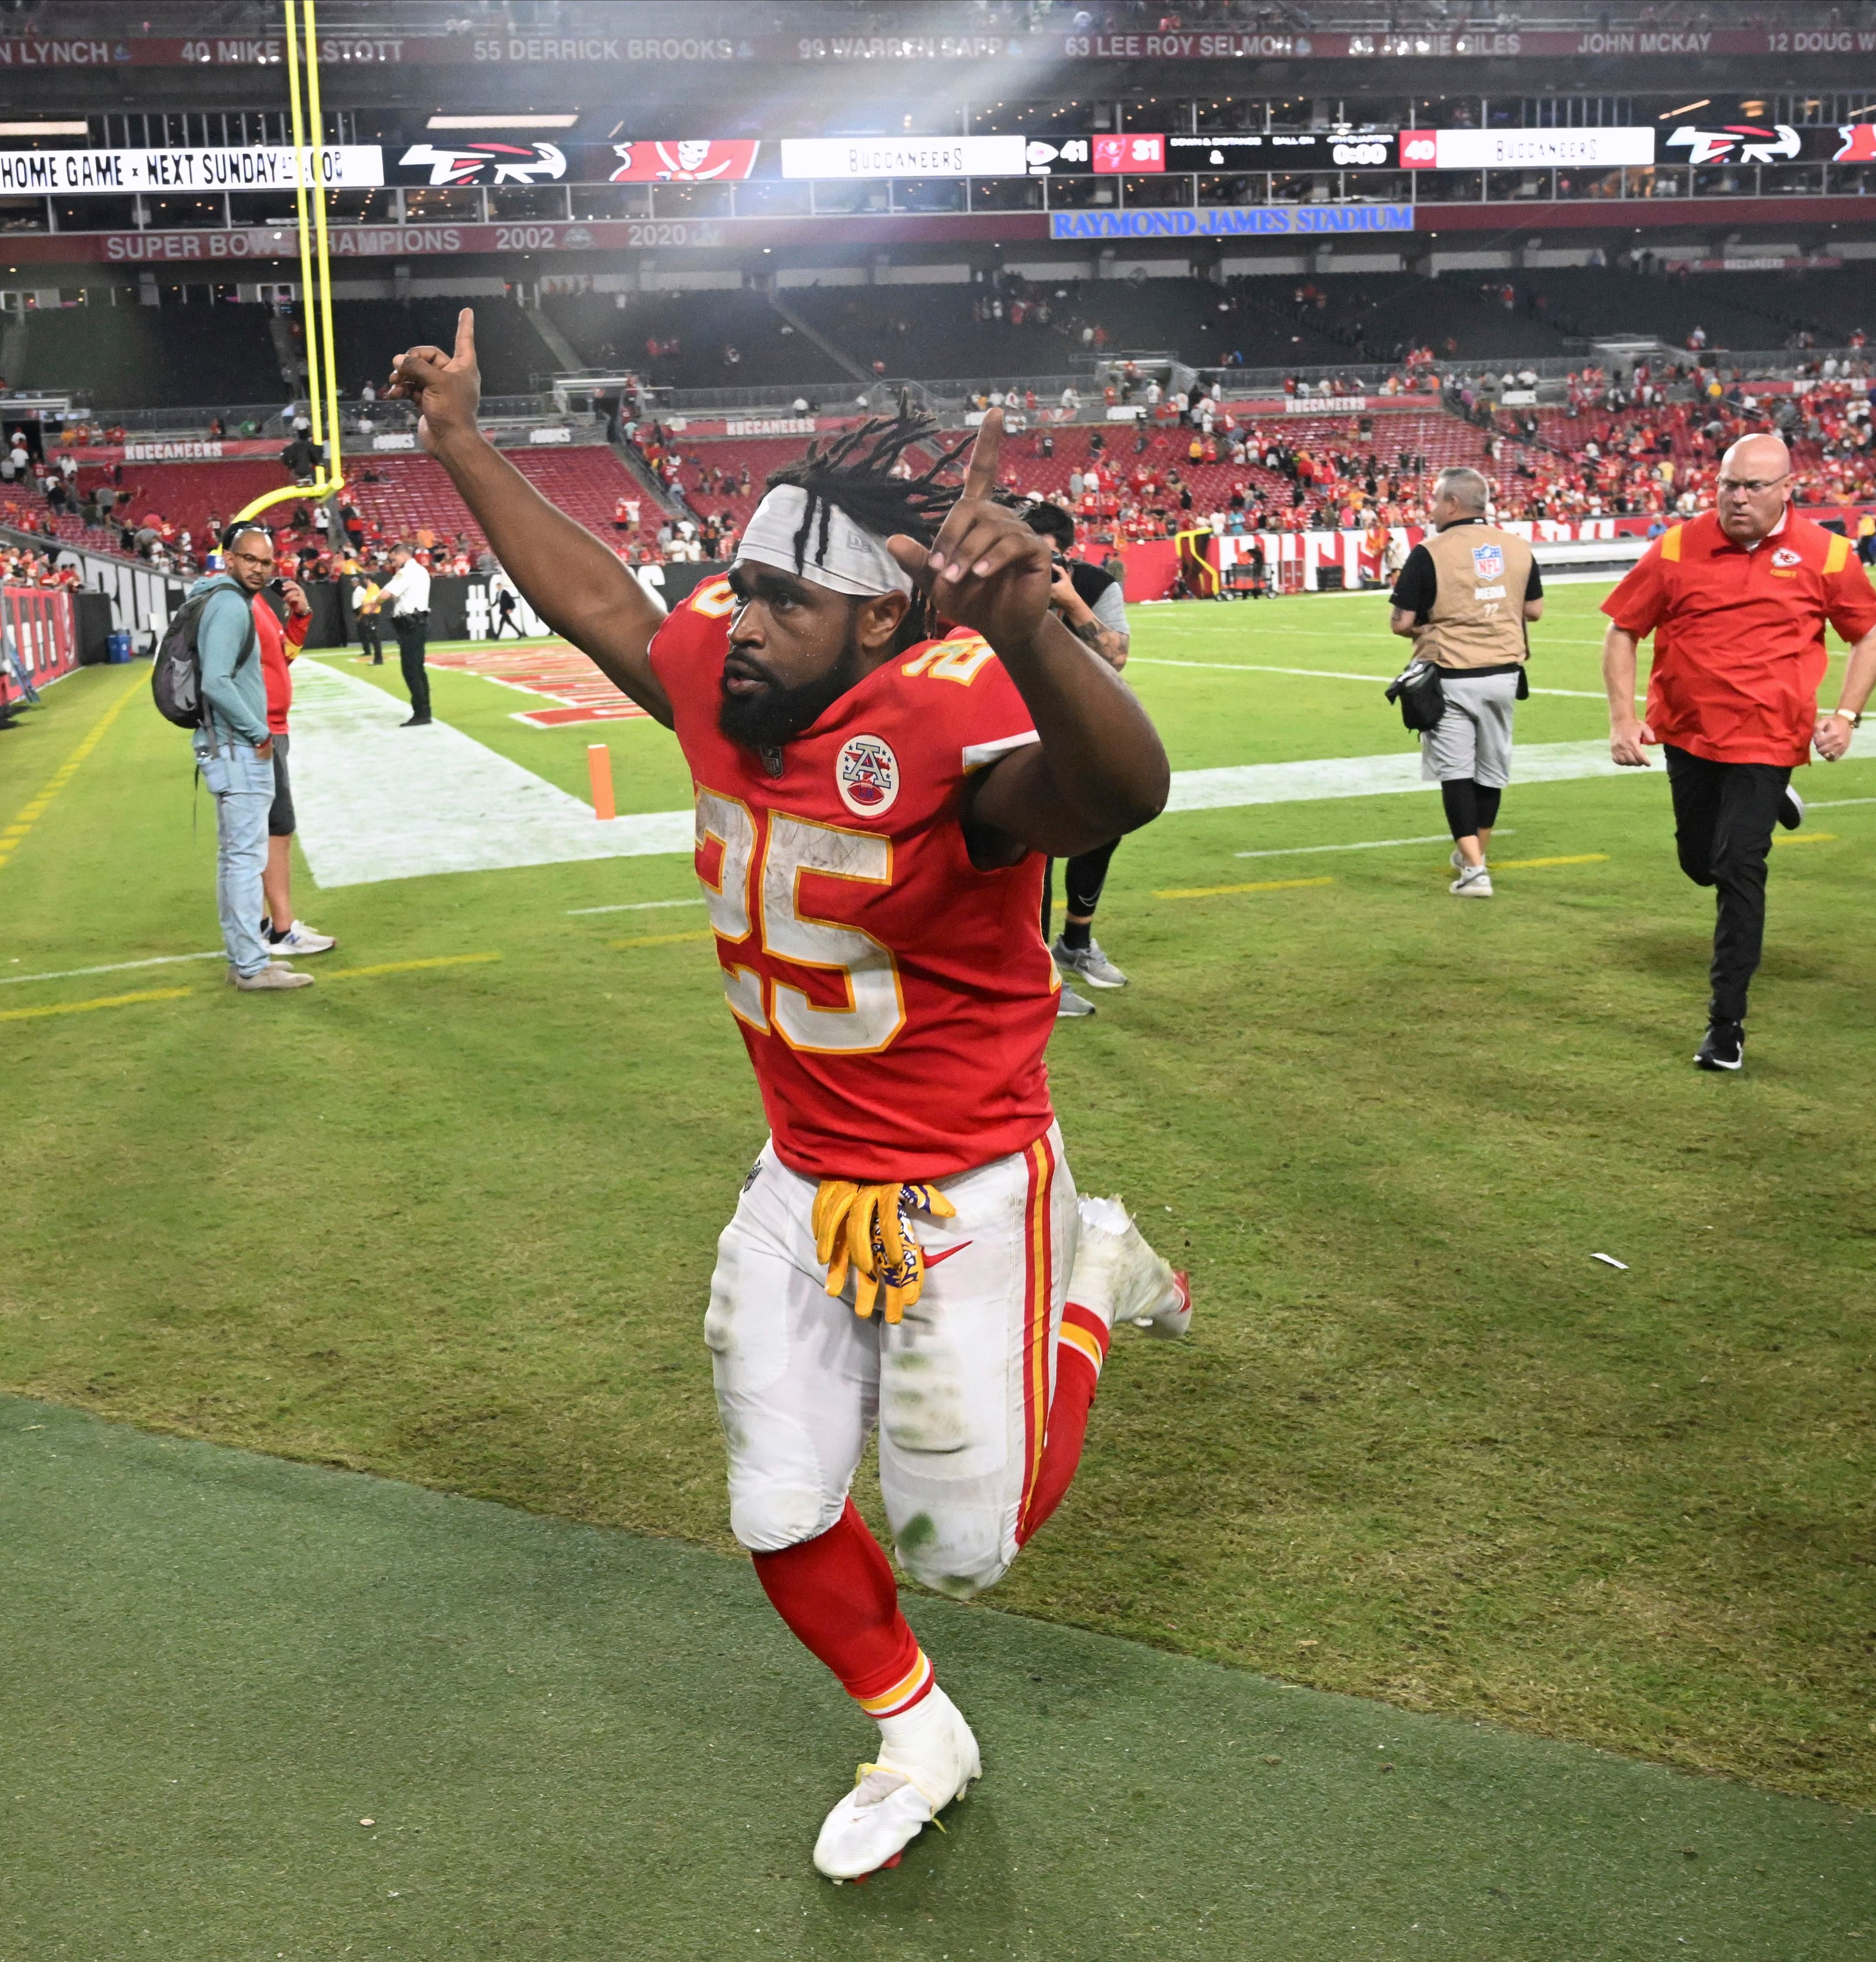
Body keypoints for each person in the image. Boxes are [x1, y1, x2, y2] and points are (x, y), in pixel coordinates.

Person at [390, 312, 1185, 1880]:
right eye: (741, 585)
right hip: (805, 1171)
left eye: (782, 598)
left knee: (969, 1546)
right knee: (777, 1498)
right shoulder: (727, 674)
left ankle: (1095, 1272)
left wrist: (1035, 634)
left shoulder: (949, 716)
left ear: (883, 619)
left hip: (963, 1180)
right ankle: (917, 1729)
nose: (737, 619)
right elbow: (611, 602)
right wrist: (466, 443)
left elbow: (1116, 794)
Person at [1601, 432, 1876, 1070]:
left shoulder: (1827, 554)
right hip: (1687, 733)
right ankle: (1764, 805)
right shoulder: (1676, 546)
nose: (1735, 498)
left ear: (1786, 488)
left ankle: (1724, 1023)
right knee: (1697, 863)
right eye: (1726, 484)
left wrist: (1845, 714)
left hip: (1768, 736)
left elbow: (1869, 635)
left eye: (1751, 486)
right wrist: (1622, 719)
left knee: (1737, 867)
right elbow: (1622, 629)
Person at [1388, 467, 1542, 897]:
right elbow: (1534, 610)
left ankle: (1475, 872)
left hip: (1451, 676)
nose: (1432, 508)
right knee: (1491, 771)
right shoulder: (1517, 547)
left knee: (1456, 773)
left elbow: (1401, 622)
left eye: (1436, 500)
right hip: (1504, 675)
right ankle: (1477, 856)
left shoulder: (1430, 551)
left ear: (1453, 504)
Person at [1020, 503, 1133, 1012]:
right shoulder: (998, 584)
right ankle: (1039, 967)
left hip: (1083, 723)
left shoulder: (1092, 583)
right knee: (1034, 842)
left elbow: (1116, 656)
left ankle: (1076, 943)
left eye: (1043, 551)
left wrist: (1070, 603)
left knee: (1106, 821)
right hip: (1017, 726)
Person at [194, 524, 310, 993]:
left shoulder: (229, 599)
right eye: (250, 560)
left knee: (236, 858)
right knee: (244, 859)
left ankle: (246, 956)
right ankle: (249, 966)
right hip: (240, 747)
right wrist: (259, 731)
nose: (260, 569)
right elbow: (216, 682)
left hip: (232, 746)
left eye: (266, 562)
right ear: (229, 558)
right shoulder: (228, 604)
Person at [252, 571, 336, 960]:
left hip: (268, 728)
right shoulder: (236, 605)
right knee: (273, 829)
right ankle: (281, 930)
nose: (263, 569)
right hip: (260, 732)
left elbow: (281, 657)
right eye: (253, 558)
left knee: (262, 831)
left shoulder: (254, 604)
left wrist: (299, 618)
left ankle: (263, 923)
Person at [381, 542, 434, 726]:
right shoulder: (420, 571)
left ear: (401, 555)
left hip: (411, 626)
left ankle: (421, 712)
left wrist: (371, 605)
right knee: (418, 669)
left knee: (410, 669)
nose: (393, 562)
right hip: (418, 624)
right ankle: (425, 709)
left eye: (393, 558)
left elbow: (385, 594)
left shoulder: (407, 572)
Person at [351, 562, 391, 666]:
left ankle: (379, 659)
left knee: (375, 637)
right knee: (373, 637)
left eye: (365, 579)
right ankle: (377, 657)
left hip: (373, 615)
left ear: (368, 579)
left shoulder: (374, 589)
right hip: (369, 615)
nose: (364, 580)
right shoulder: (369, 589)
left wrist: (370, 608)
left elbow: (377, 601)